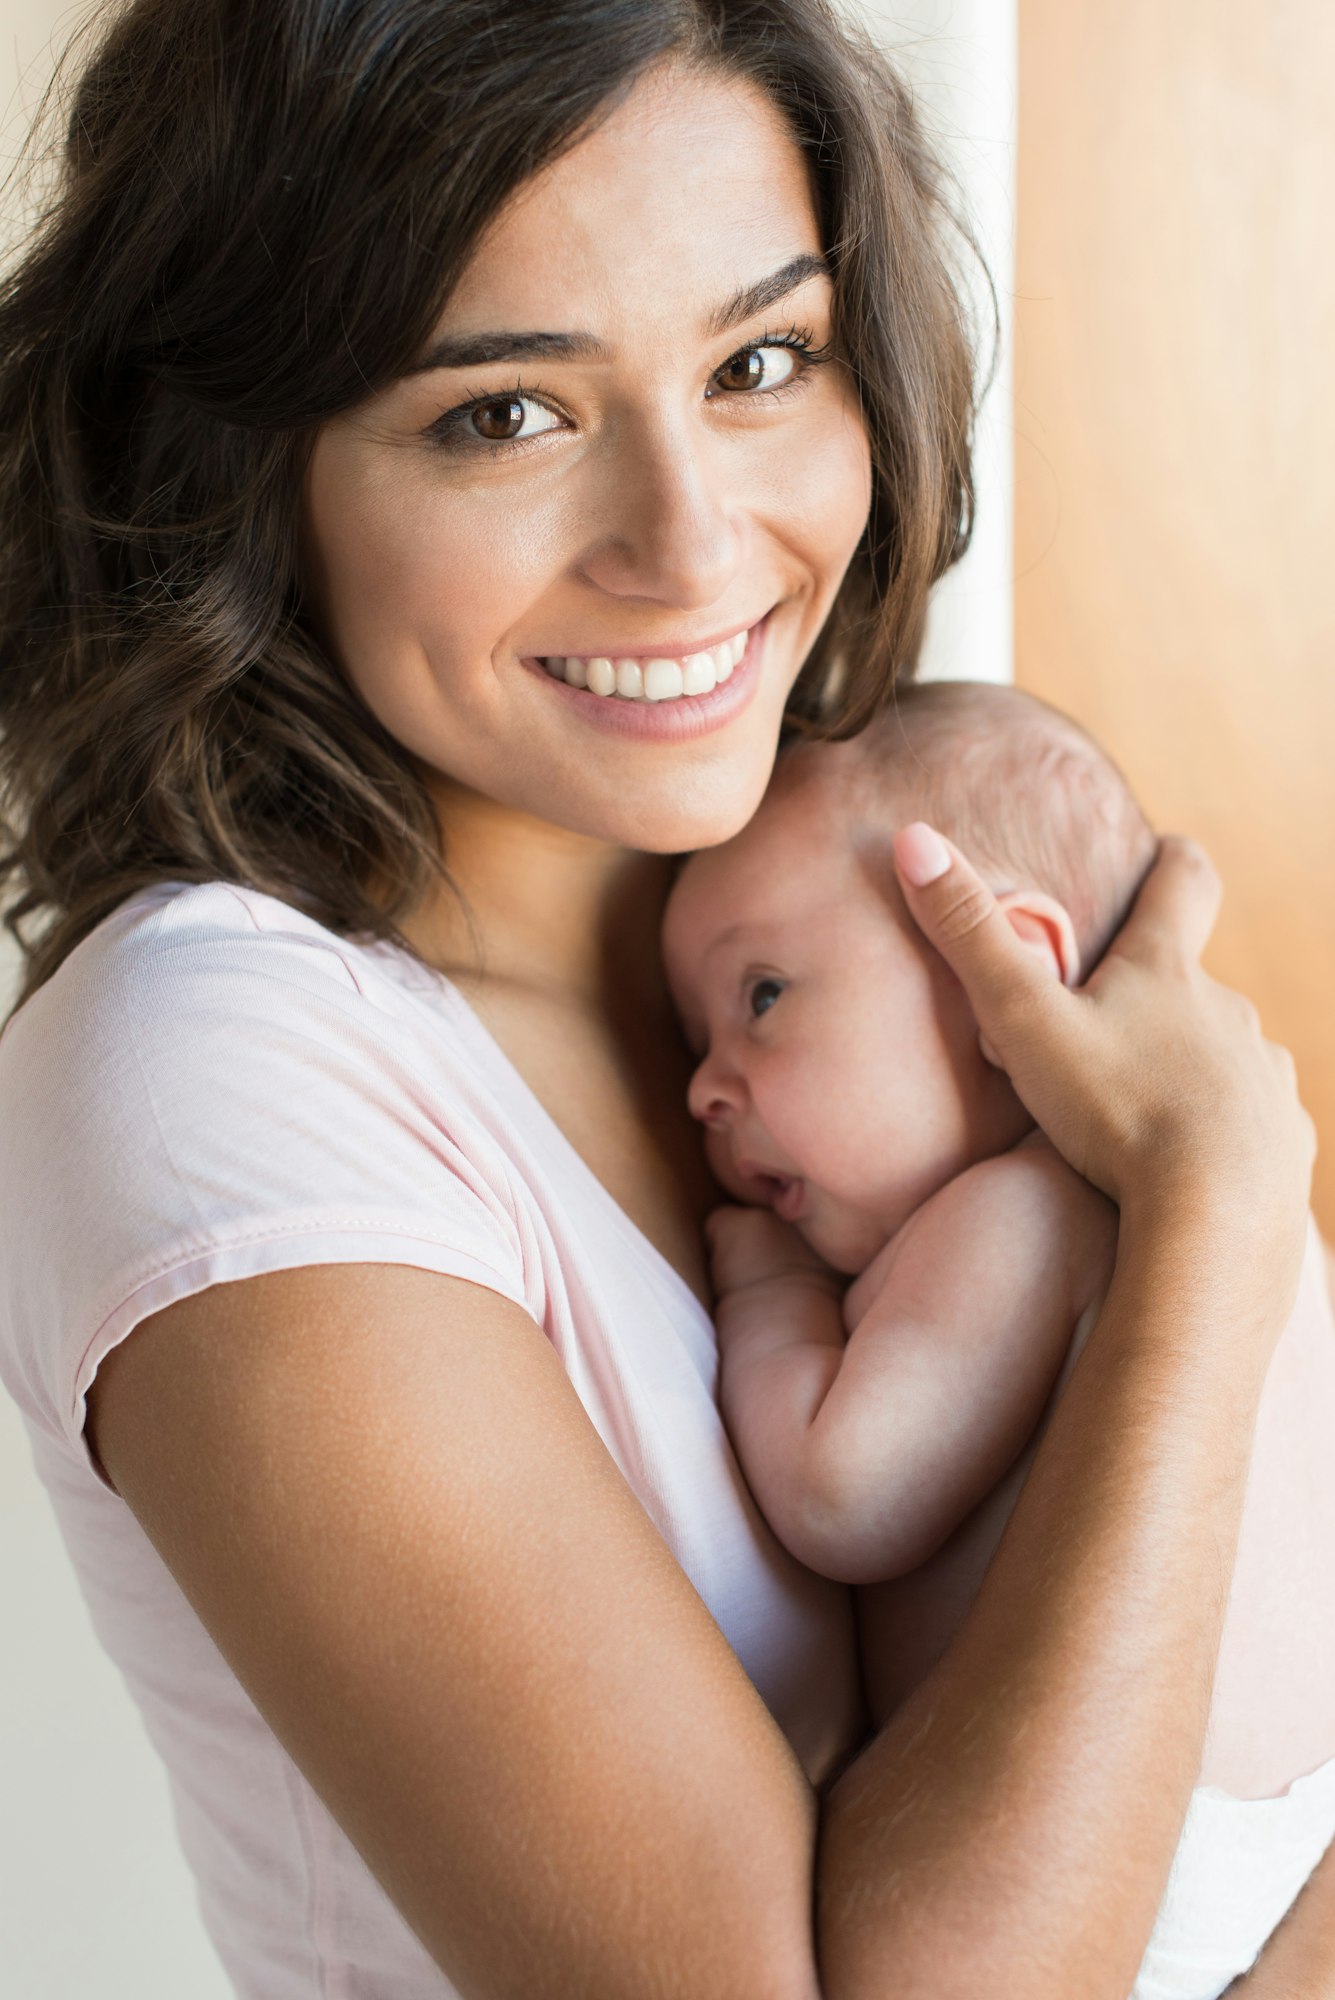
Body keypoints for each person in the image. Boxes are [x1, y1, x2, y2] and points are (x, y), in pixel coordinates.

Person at [0, 0, 1329, 1994]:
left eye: (757, 361)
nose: (692, 543)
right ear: (248, 475)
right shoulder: (226, 1058)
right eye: (503, 411)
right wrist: (1213, 1222)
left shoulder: (845, 917)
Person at [662, 679, 1335, 1999]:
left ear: (1001, 975)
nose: (703, 1084)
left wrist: (766, 1296)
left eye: (764, 993)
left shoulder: (1028, 1216)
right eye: (697, 1033)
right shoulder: (1244, 1191)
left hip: (1132, 1875)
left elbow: (839, 1493)